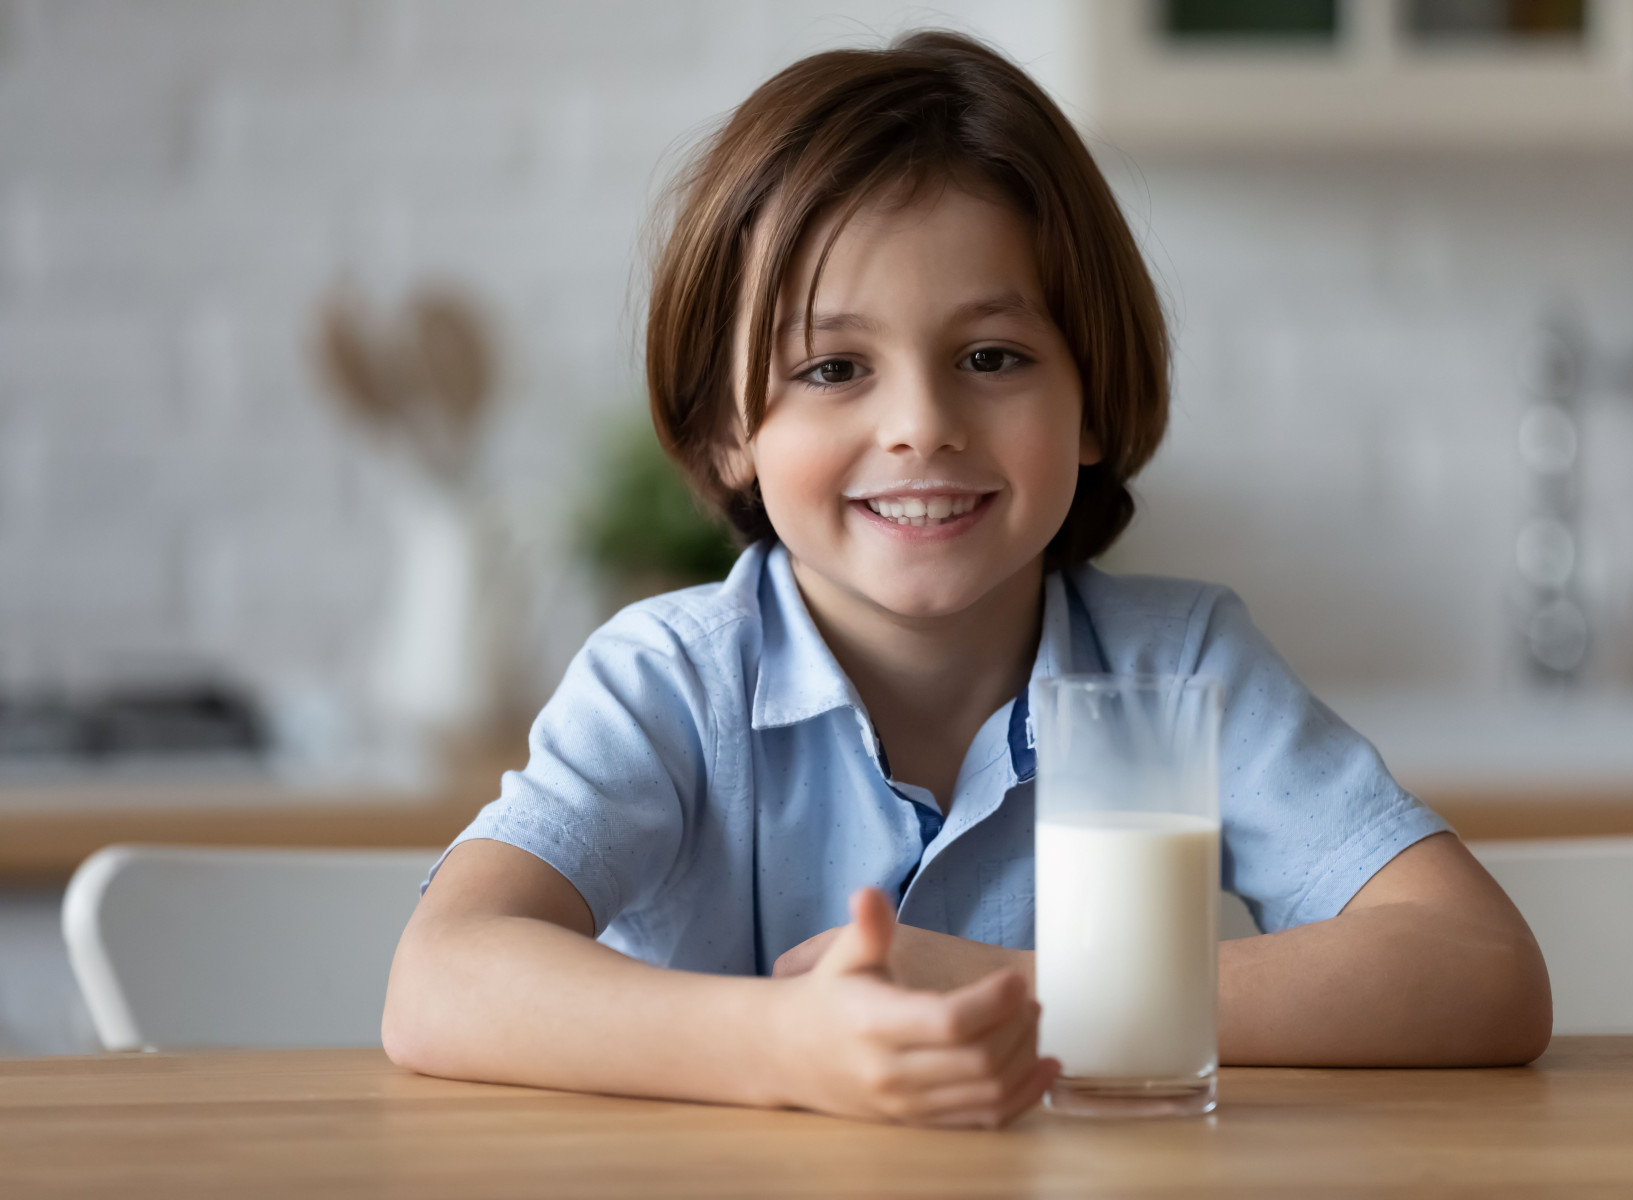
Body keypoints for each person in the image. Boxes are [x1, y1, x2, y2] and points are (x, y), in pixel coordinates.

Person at [382, 30, 1552, 1130]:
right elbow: (441, 977)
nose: (921, 426)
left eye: (991, 358)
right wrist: (793, 1043)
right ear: (728, 428)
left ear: (1091, 399)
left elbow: (1483, 969)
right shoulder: (668, 683)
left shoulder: (1179, 665)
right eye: (834, 367)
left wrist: (1025, 996)